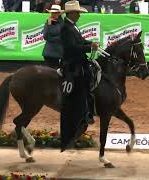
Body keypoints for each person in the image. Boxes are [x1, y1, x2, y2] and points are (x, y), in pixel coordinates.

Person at [60, 0, 99, 151]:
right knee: (84, 81)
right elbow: (73, 48)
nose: (79, 15)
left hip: (79, 60)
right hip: (72, 63)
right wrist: (89, 47)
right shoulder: (66, 28)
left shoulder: (73, 26)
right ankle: (84, 111)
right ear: (71, 13)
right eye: (78, 13)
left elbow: (80, 41)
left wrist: (91, 43)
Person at [42, 4, 64, 68]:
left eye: (55, 13)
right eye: (52, 13)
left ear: (59, 13)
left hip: (59, 53)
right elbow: (45, 36)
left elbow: (62, 38)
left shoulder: (63, 24)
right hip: (49, 53)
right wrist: (49, 25)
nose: (53, 14)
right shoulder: (48, 22)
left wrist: (50, 38)